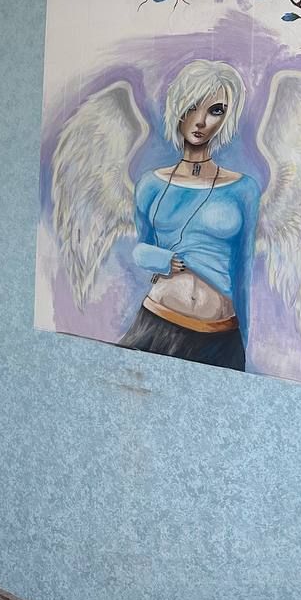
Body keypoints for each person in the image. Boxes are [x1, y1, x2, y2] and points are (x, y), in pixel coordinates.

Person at [119, 60, 261, 371]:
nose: (201, 121)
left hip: (221, 334)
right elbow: (141, 248)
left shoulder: (244, 189)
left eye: (215, 110)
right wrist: (158, 259)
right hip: (158, 323)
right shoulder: (151, 185)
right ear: (177, 109)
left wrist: (244, 341)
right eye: (192, 106)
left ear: (227, 118)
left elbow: (244, 271)